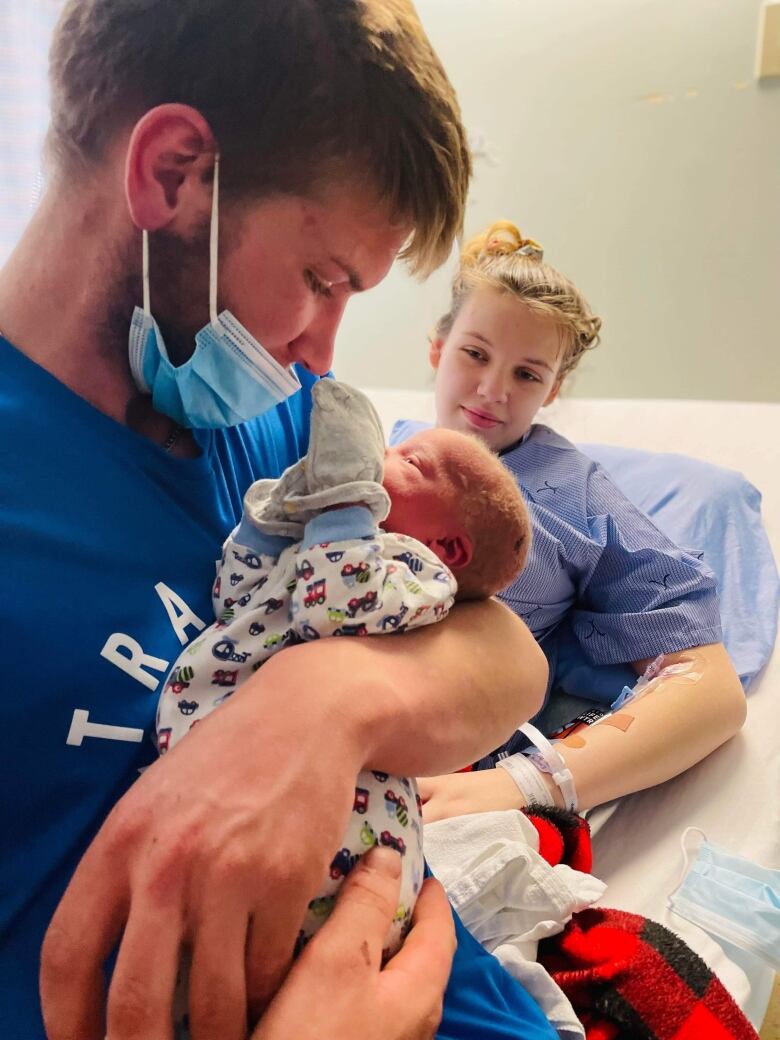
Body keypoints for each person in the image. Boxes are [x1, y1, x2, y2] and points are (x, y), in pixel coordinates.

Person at [0, 4, 556, 1040]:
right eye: (322, 280)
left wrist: (320, 703)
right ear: (173, 175)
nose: (321, 356)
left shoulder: (284, 433)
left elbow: (507, 649)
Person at [161, 379, 530, 1031]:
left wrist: (344, 507)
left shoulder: (413, 574)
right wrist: (271, 524)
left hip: (347, 842)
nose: (381, 460)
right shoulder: (332, 545)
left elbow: (337, 605)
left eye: (410, 462)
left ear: (449, 547)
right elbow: (238, 600)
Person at [397, 221, 746, 823]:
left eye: (527, 374)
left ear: (553, 389)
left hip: (430, 766)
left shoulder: (573, 496)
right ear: (437, 347)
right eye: (475, 354)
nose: (491, 390)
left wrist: (522, 785)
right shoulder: (379, 450)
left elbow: (711, 691)